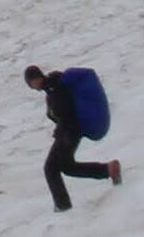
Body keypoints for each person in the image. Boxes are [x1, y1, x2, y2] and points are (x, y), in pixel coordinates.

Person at [25, 64, 121, 212]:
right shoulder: (52, 88)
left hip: (68, 133)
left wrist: (63, 132)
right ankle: (108, 170)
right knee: (68, 167)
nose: (33, 86)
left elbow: (65, 113)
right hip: (69, 132)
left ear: (35, 79)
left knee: (50, 168)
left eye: (31, 82)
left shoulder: (55, 88)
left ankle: (63, 206)